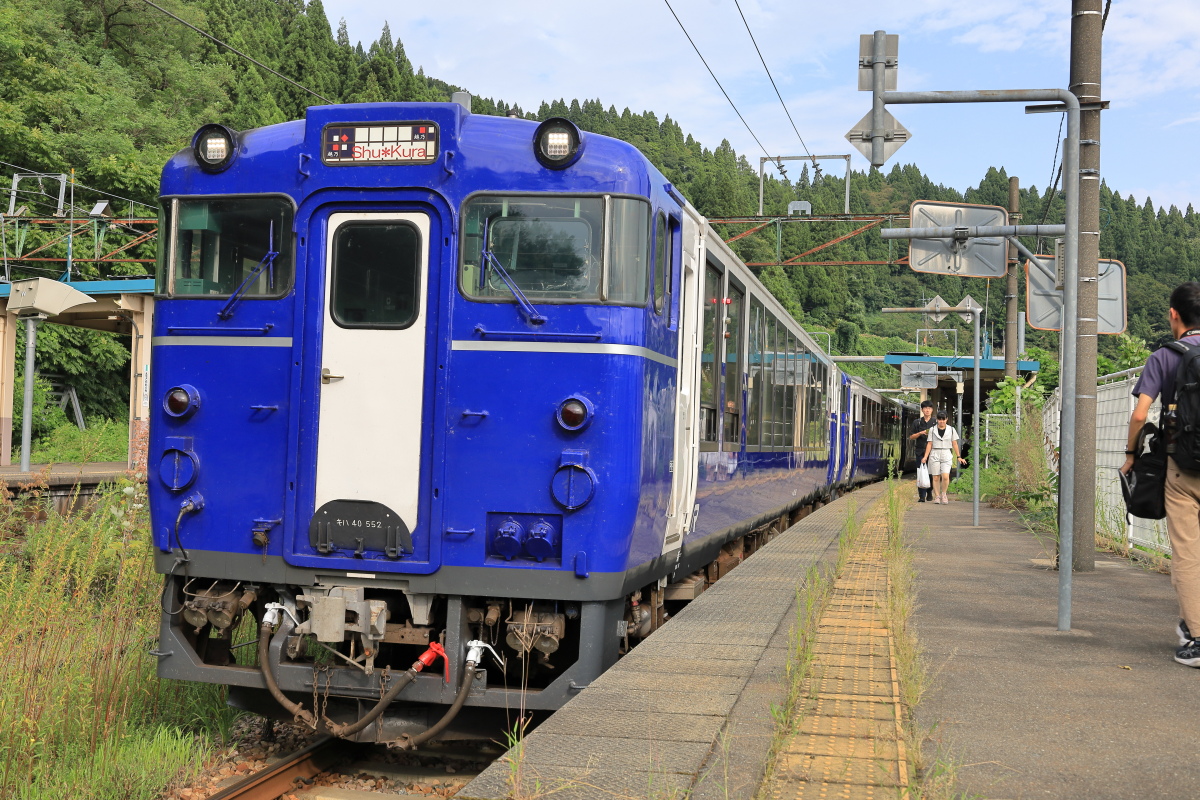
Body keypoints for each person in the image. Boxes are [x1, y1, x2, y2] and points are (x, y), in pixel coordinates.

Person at [1120, 281, 1200, 668]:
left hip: (1182, 468)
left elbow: (1140, 415)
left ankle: (1197, 638)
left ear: (1174, 315)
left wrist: (1130, 454)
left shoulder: (1165, 357)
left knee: (1187, 551)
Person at [921, 412, 966, 505]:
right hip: (935, 453)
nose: (941, 421)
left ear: (946, 419)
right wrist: (925, 456)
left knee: (945, 476)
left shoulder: (951, 429)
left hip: (946, 452)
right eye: (939, 419)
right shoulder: (932, 430)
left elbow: (954, 443)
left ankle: (944, 494)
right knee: (936, 477)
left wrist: (959, 456)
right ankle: (937, 496)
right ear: (937, 419)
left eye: (943, 419)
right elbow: (929, 444)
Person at [908, 400, 936, 502]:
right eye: (925, 408)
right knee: (920, 472)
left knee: (931, 473)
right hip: (920, 451)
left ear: (932, 410)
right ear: (922, 410)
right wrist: (920, 433)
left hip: (933, 452)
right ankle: (921, 496)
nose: (927, 410)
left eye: (929, 408)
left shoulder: (935, 422)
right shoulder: (917, 422)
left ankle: (929, 492)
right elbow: (911, 436)